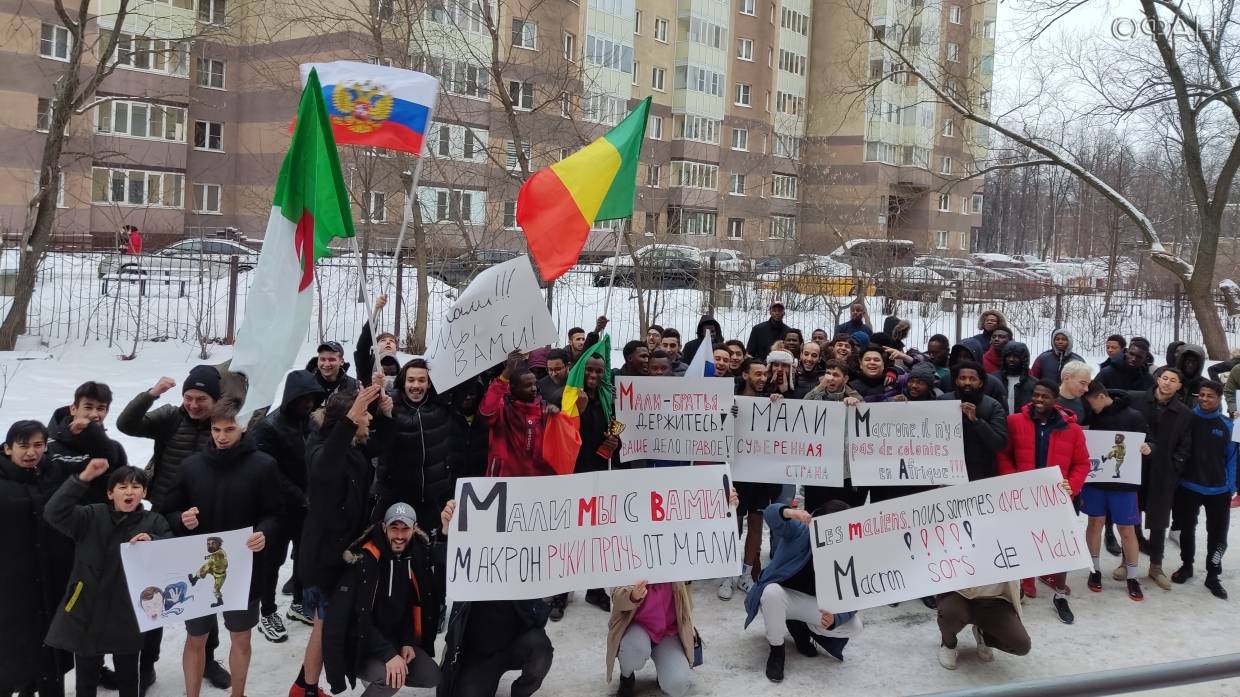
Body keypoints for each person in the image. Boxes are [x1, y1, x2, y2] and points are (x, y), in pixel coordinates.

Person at [116, 365, 228, 690]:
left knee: (207, 593)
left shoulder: (223, 426)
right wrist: (152, 394)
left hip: (206, 520)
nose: (193, 404)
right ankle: (147, 663)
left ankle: (207, 658)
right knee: (156, 595)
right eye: (189, 397)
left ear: (215, 399)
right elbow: (127, 424)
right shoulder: (169, 417)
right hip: (164, 517)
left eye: (201, 399)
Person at [163, 399, 282, 697]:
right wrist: (182, 518)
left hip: (244, 567)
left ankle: (237, 694)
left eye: (229, 429)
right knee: (196, 637)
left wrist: (264, 532)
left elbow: (277, 513)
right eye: (216, 429)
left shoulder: (263, 465)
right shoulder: (191, 466)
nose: (222, 436)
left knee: (240, 636)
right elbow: (168, 510)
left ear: (242, 427)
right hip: (199, 567)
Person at [294, 385, 395, 697]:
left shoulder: (354, 443)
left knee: (328, 626)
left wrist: (386, 414)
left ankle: (304, 685)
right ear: (347, 418)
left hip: (345, 553)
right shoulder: (320, 445)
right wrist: (353, 418)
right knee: (324, 626)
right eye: (365, 414)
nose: (369, 420)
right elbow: (325, 466)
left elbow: (379, 444)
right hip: (322, 558)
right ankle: (306, 689)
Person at [44, 461, 171, 697]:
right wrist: (82, 479)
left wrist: (153, 541)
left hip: (129, 613)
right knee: (86, 680)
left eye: (135, 486)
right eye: (122, 487)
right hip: (87, 610)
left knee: (128, 678)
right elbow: (53, 512)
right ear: (110, 493)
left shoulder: (154, 521)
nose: (129, 492)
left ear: (144, 492)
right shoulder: (90, 516)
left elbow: (171, 553)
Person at [323, 503, 441, 696]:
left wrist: (407, 642)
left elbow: (408, 607)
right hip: (361, 644)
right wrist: (388, 655)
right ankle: (376, 673)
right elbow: (359, 620)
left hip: (393, 641)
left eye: (405, 529)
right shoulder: (364, 560)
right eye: (394, 528)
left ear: (414, 528)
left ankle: (380, 671)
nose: (400, 536)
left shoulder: (414, 557)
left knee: (432, 676)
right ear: (384, 527)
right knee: (392, 679)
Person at [438, 502, 554, 697]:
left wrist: (546, 591)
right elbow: (445, 562)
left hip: (513, 644)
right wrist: (450, 533)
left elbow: (539, 620)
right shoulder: (474, 561)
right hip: (478, 654)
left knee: (541, 651)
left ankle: (521, 693)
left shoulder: (521, 564)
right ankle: (458, 667)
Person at [996, 380, 1090, 622]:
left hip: (1057, 498)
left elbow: (1082, 463)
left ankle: (1060, 594)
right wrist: (1012, 480)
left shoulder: (1072, 430)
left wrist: (1073, 485)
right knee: (1023, 539)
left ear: (1055, 399)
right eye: (1036, 395)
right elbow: (1004, 455)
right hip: (1024, 496)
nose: (1039, 400)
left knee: (1059, 546)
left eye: (1044, 396)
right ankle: (1024, 583)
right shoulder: (1015, 421)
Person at [744, 500, 862, 683]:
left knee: (854, 625)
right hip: (782, 598)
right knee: (771, 593)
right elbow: (769, 513)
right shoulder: (800, 531)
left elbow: (853, 596)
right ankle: (777, 650)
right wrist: (792, 513)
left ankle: (802, 628)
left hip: (811, 605)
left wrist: (834, 619)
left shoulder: (846, 552)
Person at [250, 370, 325, 640]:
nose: (308, 404)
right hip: (278, 508)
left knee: (305, 557)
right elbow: (270, 472)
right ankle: (267, 612)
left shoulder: (312, 423)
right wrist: (299, 495)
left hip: (307, 507)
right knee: (272, 561)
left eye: (312, 399)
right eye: (303, 398)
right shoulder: (269, 428)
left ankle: (299, 603)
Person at [0, 420, 72, 697]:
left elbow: (104, 459)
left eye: (38, 445)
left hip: (50, 583)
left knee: (50, 661)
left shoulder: (54, 474)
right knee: (10, 659)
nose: (31, 452)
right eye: (23, 446)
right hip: (10, 589)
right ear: (8, 449)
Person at [1081, 381, 1150, 601]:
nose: (1090, 407)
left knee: (1127, 530)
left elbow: (1150, 441)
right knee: (1095, 523)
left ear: (1101, 397)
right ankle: (1095, 569)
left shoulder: (1134, 416)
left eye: (1092, 402)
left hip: (1124, 484)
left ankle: (1132, 576)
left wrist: (1149, 447)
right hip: (1095, 482)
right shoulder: (1091, 416)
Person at [1126, 366, 1193, 590]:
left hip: (1163, 471)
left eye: (1173, 380)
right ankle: (1128, 562)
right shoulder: (1137, 400)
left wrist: (1175, 466)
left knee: (1158, 521)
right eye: (1164, 378)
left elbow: (1185, 444)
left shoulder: (1184, 412)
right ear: (1157, 379)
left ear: (1179, 386)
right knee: (1130, 516)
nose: (1167, 383)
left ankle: (1156, 566)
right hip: (1135, 468)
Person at [1170, 380, 1235, 599]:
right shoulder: (1187, 419)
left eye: (1211, 396)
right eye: (1202, 395)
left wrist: (1231, 485)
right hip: (1188, 486)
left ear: (1219, 400)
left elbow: (1234, 459)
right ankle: (1186, 565)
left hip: (1218, 489)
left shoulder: (1228, 425)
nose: (1205, 399)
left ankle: (1213, 575)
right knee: (1186, 529)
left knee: (1218, 535)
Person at [376, 359, 455, 536]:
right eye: (411, 380)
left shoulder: (441, 405)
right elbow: (377, 440)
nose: (416, 385)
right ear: (403, 382)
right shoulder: (388, 404)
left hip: (433, 497)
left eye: (421, 380)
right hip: (398, 498)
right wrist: (380, 406)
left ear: (429, 384)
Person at [726, 358, 783, 599]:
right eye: (757, 374)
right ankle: (728, 575)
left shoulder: (772, 400)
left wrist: (779, 406)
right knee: (733, 526)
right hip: (736, 472)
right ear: (745, 374)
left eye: (765, 374)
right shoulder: (731, 398)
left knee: (757, 526)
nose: (762, 378)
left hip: (761, 475)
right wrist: (727, 413)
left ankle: (747, 575)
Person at [607, 581, 696, 697]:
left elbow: (688, 601)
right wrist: (632, 595)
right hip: (637, 626)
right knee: (633, 652)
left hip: (668, 630)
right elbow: (617, 598)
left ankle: (664, 675)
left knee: (677, 684)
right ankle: (626, 676)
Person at [47, 381, 128, 504]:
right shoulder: (47, 445)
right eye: (88, 407)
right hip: (58, 518)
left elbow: (124, 489)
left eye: (101, 408)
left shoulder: (114, 448)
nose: (94, 414)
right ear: (73, 409)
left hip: (100, 520)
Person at [481, 355, 554, 477]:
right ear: (513, 388)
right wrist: (505, 375)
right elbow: (486, 413)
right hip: (505, 478)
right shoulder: (502, 408)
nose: (533, 389)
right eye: (527, 385)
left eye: (534, 384)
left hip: (535, 478)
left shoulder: (544, 408)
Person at [936, 582, 1030, 670]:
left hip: (996, 598)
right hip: (958, 593)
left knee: (1021, 645)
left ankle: (984, 635)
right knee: (950, 612)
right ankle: (948, 645)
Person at [940, 361, 1009, 481]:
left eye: (972, 379)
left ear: (980, 383)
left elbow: (999, 444)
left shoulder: (993, 406)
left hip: (982, 474)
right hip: (948, 471)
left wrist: (976, 421)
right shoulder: (942, 402)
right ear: (956, 381)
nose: (967, 382)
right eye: (962, 378)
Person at [354, 295, 401, 388]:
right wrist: (376, 311)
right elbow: (363, 344)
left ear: (396, 348)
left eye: (391, 341)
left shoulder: (403, 372)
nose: (388, 342)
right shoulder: (366, 365)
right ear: (375, 346)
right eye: (383, 340)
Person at [995, 342, 1035, 414]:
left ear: (1023, 359)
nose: (1011, 359)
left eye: (1016, 357)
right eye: (1008, 356)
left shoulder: (1033, 383)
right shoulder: (994, 379)